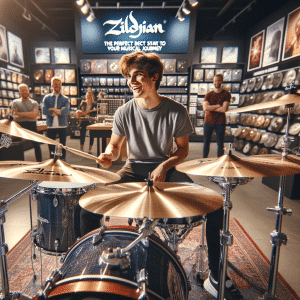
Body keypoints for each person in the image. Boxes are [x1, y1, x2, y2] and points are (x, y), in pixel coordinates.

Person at [92, 51, 240, 299]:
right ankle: (94, 269)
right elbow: (115, 147)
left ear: (155, 77)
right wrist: (108, 155)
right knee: (88, 206)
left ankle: (216, 276)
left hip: (166, 168)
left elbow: (182, 150)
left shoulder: (176, 110)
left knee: (215, 207)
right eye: (129, 76)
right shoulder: (123, 112)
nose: (131, 81)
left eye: (138, 76)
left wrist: (164, 165)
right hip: (132, 167)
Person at [11, 83, 42, 162]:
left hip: (32, 125)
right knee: (16, 144)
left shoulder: (34, 103)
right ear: (19, 92)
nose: (25, 92)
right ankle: (17, 161)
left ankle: (39, 162)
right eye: (23, 90)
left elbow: (34, 115)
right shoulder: (15, 102)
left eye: (26, 90)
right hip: (19, 125)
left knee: (36, 144)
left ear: (28, 91)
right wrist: (29, 114)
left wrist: (21, 114)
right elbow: (15, 115)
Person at [202, 74, 230, 158]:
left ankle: (219, 162)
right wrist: (218, 106)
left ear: (221, 81)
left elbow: (224, 109)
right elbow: (205, 107)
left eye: (218, 80)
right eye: (214, 81)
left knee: (220, 143)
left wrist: (211, 108)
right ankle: (204, 160)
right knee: (206, 142)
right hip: (208, 121)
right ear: (213, 82)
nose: (216, 82)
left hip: (220, 122)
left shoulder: (226, 94)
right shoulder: (208, 95)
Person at [42, 76, 70, 160]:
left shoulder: (65, 99)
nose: (57, 86)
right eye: (55, 84)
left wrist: (52, 109)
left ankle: (63, 161)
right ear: (52, 85)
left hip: (62, 126)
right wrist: (58, 111)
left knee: (63, 145)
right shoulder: (46, 98)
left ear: (61, 85)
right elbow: (44, 111)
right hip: (51, 126)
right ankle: (53, 161)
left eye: (59, 84)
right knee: (51, 146)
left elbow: (66, 112)